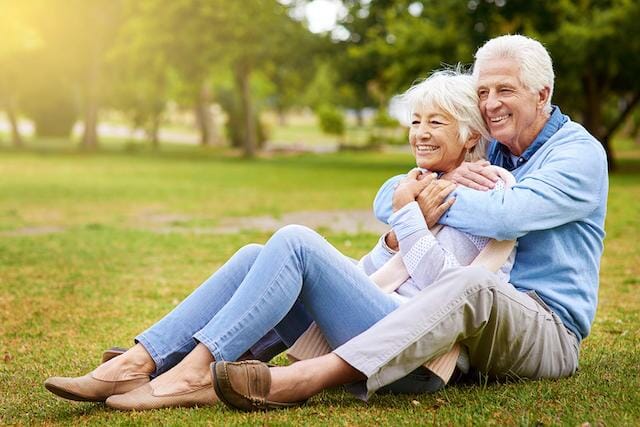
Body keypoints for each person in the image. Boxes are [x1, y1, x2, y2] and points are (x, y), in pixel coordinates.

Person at [44, 71, 514, 411]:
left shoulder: (488, 189)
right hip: (377, 321)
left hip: (415, 354)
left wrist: (408, 218)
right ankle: (137, 361)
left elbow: (451, 294)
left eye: (436, 122)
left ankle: (191, 374)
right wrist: (395, 235)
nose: (420, 133)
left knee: (295, 240)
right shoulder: (423, 181)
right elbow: (379, 274)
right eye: (415, 121)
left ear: (470, 132)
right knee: (255, 255)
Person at [211, 34, 608, 411]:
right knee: (271, 256)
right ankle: (175, 364)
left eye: (505, 90)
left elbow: (505, 216)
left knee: (472, 284)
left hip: (545, 328)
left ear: (543, 94)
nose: (490, 104)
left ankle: (305, 378)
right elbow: (389, 194)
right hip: (469, 325)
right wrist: (425, 189)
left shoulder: (577, 154)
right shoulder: (499, 147)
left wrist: (416, 201)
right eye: (482, 92)